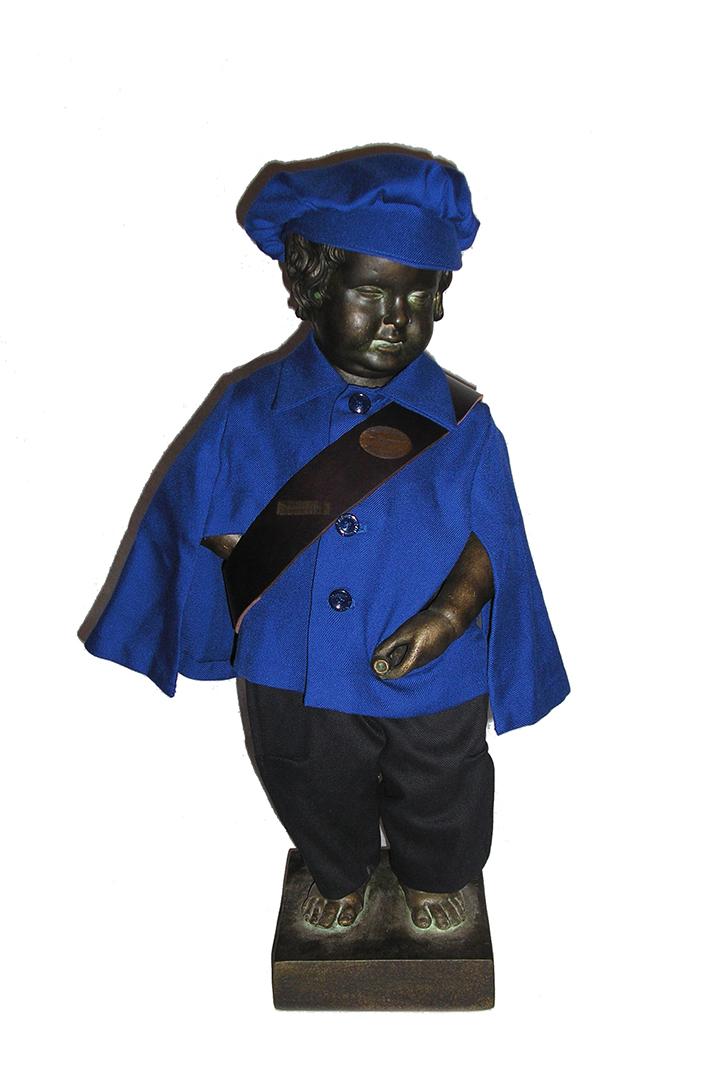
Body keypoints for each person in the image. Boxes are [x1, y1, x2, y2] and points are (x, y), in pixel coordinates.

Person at [84, 151, 570, 931]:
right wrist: (228, 561)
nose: (395, 317)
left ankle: (436, 875)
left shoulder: (465, 424)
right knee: (306, 775)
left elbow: (498, 545)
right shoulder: (248, 407)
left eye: (417, 296)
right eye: (370, 292)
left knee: (442, 779)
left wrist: (449, 615)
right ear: (312, 288)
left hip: (432, 665)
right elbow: (181, 516)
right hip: (291, 659)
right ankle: (338, 870)